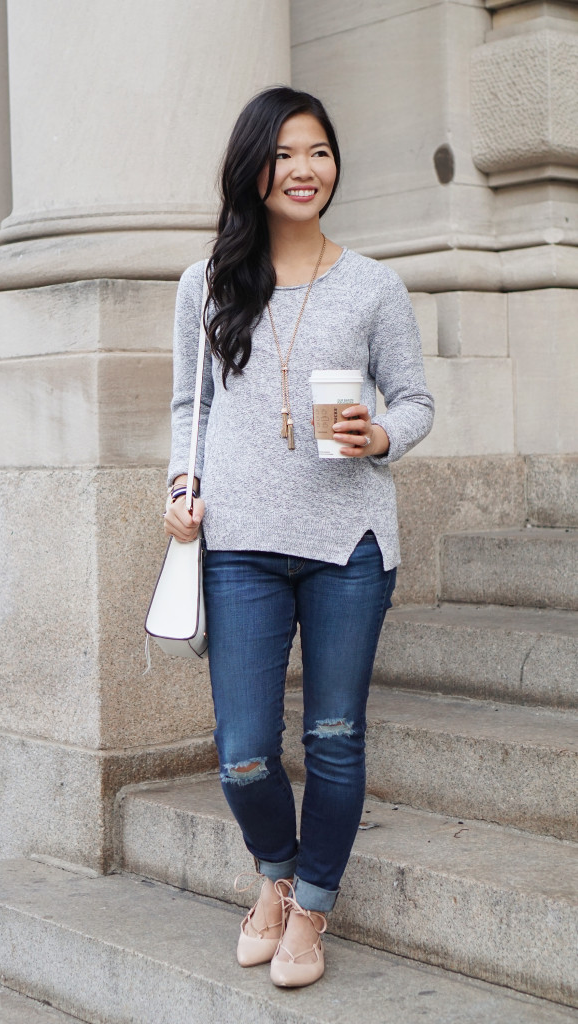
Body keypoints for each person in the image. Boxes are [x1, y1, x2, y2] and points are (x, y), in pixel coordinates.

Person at [163, 86, 434, 989]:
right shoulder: (205, 284)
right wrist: (181, 486)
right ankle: (273, 877)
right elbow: (189, 408)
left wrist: (382, 434)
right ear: (252, 168)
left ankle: (309, 906)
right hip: (238, 541)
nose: (303, 170)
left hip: (347, 539)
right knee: (242, 751)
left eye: (316, 152)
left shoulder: (373, 285)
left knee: (331, 735)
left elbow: (415, 400)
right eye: (283, 154)